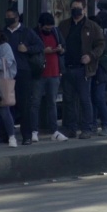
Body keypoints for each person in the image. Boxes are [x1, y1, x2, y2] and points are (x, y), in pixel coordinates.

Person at [59, 0, 105, 139]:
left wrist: (91, 56)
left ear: (84, 9)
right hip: (67, 67)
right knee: (68, 99)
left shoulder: (92, 26)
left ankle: (87, 128)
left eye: (78, 8)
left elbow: (101, 44)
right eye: (73, 8)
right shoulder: (64, 25)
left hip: (83, 68)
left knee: (85, 99)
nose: (75, 10)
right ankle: (71, 128)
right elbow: (59, 40)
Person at [4, 6, 44, 142]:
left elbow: (40, 46)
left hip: (23, 71)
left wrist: (27, 49)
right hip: (7, 73)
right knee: (7, 104)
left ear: (16, 17)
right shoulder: (4, 33)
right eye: (6, 16)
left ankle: (26, 136)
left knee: (24, 104)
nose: (7, 19)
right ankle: (7, 135)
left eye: (10, 16)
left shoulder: (27, 32)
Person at [32, 13, 65, 142]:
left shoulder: (56, 32)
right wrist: (43, 50)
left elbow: (63, 46)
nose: (49, 30)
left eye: (50, 27)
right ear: (40, 26)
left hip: (54, 72)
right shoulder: (34, 33)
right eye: (46, 28)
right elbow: (29, 49)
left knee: (52, 102)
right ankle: (34, 130)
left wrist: (61, 49)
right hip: (39, 72)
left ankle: (54, 130)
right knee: (35, 102)